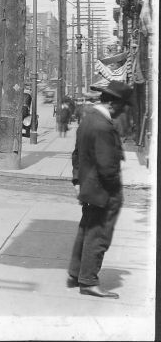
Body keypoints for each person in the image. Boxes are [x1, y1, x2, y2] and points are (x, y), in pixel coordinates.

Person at [67, 80, 133, 299]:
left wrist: (78, 181)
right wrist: (115, 190)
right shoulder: (103, 126)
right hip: (104, 190)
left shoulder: (88, 120)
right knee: (99, 235)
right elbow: (107, 167)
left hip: (89, 186)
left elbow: (76, 155)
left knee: (86, 230)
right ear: (114, 104)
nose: (124, 110)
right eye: (124, 106)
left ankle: (76, 273)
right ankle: (89, 281)